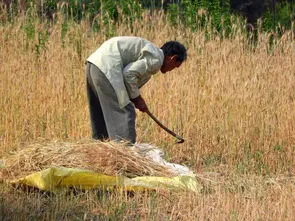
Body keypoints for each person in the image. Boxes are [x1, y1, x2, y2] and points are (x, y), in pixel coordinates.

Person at [85, 36, 187, 144]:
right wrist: (138, 99)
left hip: (93, 64)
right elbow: (128, 74)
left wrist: (134, 97)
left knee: (102, 112)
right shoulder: (157, 59)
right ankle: (125, 155)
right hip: (107, 68)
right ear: (173, 58)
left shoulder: (151, 52)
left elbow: (128, 79)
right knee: (126, 111)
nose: (171, 70)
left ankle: (99, 150)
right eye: (175, 66)